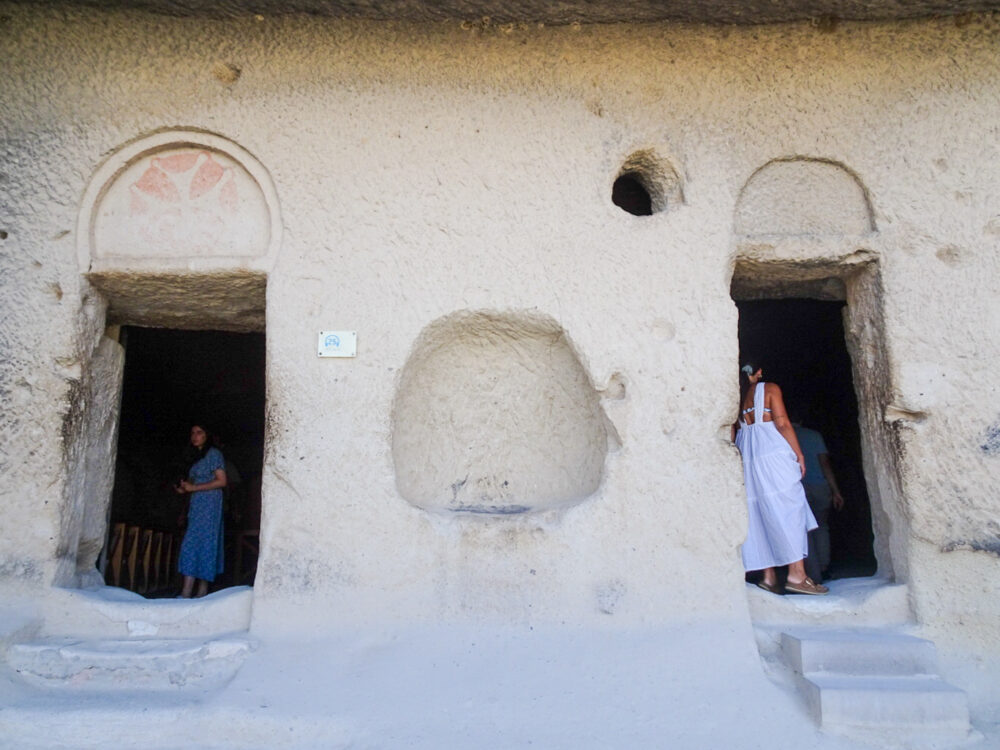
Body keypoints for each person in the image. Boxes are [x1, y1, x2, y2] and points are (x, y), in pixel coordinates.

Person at [733, 362, 827, 595]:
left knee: (759, 514)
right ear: (759, 372)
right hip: (772, 455)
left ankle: (769, 577)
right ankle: (797, 575)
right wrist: (799, 454)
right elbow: (783, 423)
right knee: (790, 509)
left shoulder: (736, 396)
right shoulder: (769, 388)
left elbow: (734, 432)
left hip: (748, 457)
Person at [174, 423, 227, 598]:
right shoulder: (195, 456)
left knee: (205, 543)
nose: (195, 436)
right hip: (197, 505)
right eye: (192, 433)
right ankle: (191, 592)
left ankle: (195, 592)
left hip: (210, 504)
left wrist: (194, 488)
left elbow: (222, 481)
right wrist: (183, 488)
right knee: (193, 543)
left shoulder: (214, 454)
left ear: (207, 435)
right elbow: (192, 483)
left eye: (199, 432)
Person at [792, 419, 845, 583]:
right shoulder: (814, 436)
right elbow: (825, 464)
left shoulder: (783, 436)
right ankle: (823, 567)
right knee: (821, 527)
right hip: (819, 486)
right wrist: (836, 491)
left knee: (803, 531)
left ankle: (811, 573)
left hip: (796, 487)